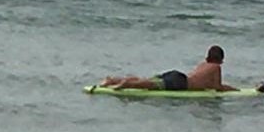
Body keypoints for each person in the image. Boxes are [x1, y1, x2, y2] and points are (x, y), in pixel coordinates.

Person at [99, 45, 236, 92]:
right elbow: (218, 87)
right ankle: (127, 84)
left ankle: (112, 80)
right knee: (150, 85)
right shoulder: (216, 67)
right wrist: (234, 89)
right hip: (180, 83)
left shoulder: (203, 64)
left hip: (178, 76)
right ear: (220, 59)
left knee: (148, 81)